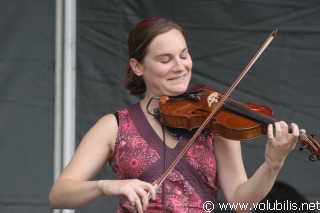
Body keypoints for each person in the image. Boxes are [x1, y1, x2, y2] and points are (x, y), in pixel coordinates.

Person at [49, 17, 302, 213]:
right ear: (138, 66)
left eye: (184, 55)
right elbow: (59, 193)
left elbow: (239, 202)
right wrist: (108, 186)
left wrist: (273, 163)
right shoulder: (114, 126)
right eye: (165, 59)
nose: (180, 66)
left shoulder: (215, 118)